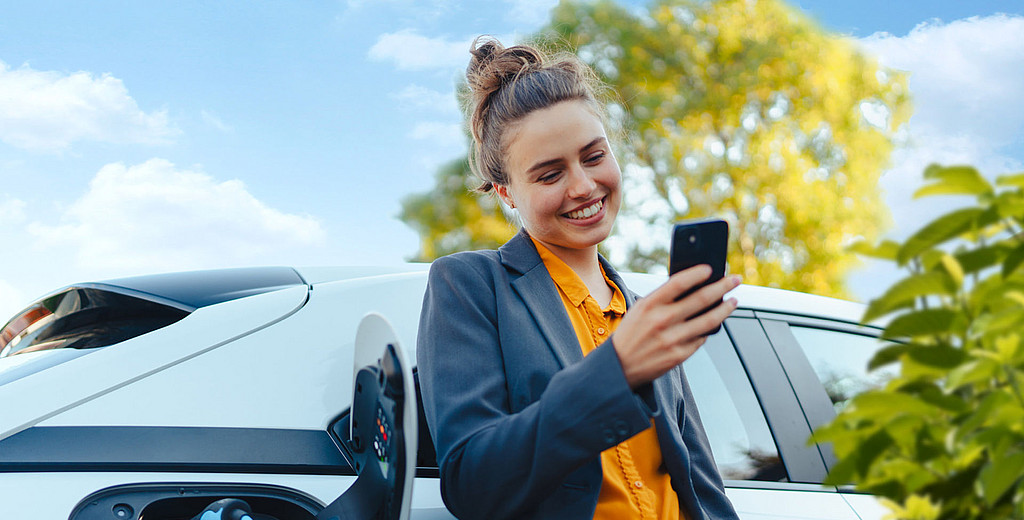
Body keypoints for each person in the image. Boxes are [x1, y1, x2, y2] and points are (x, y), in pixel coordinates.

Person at [416, 36, 742, 520]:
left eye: (594, 157)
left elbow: (698, 482)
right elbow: (473, 482)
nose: (584, 186)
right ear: (506, 193)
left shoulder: (642, 310)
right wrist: (618, 370)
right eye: (549, 175)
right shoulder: (470, 286)